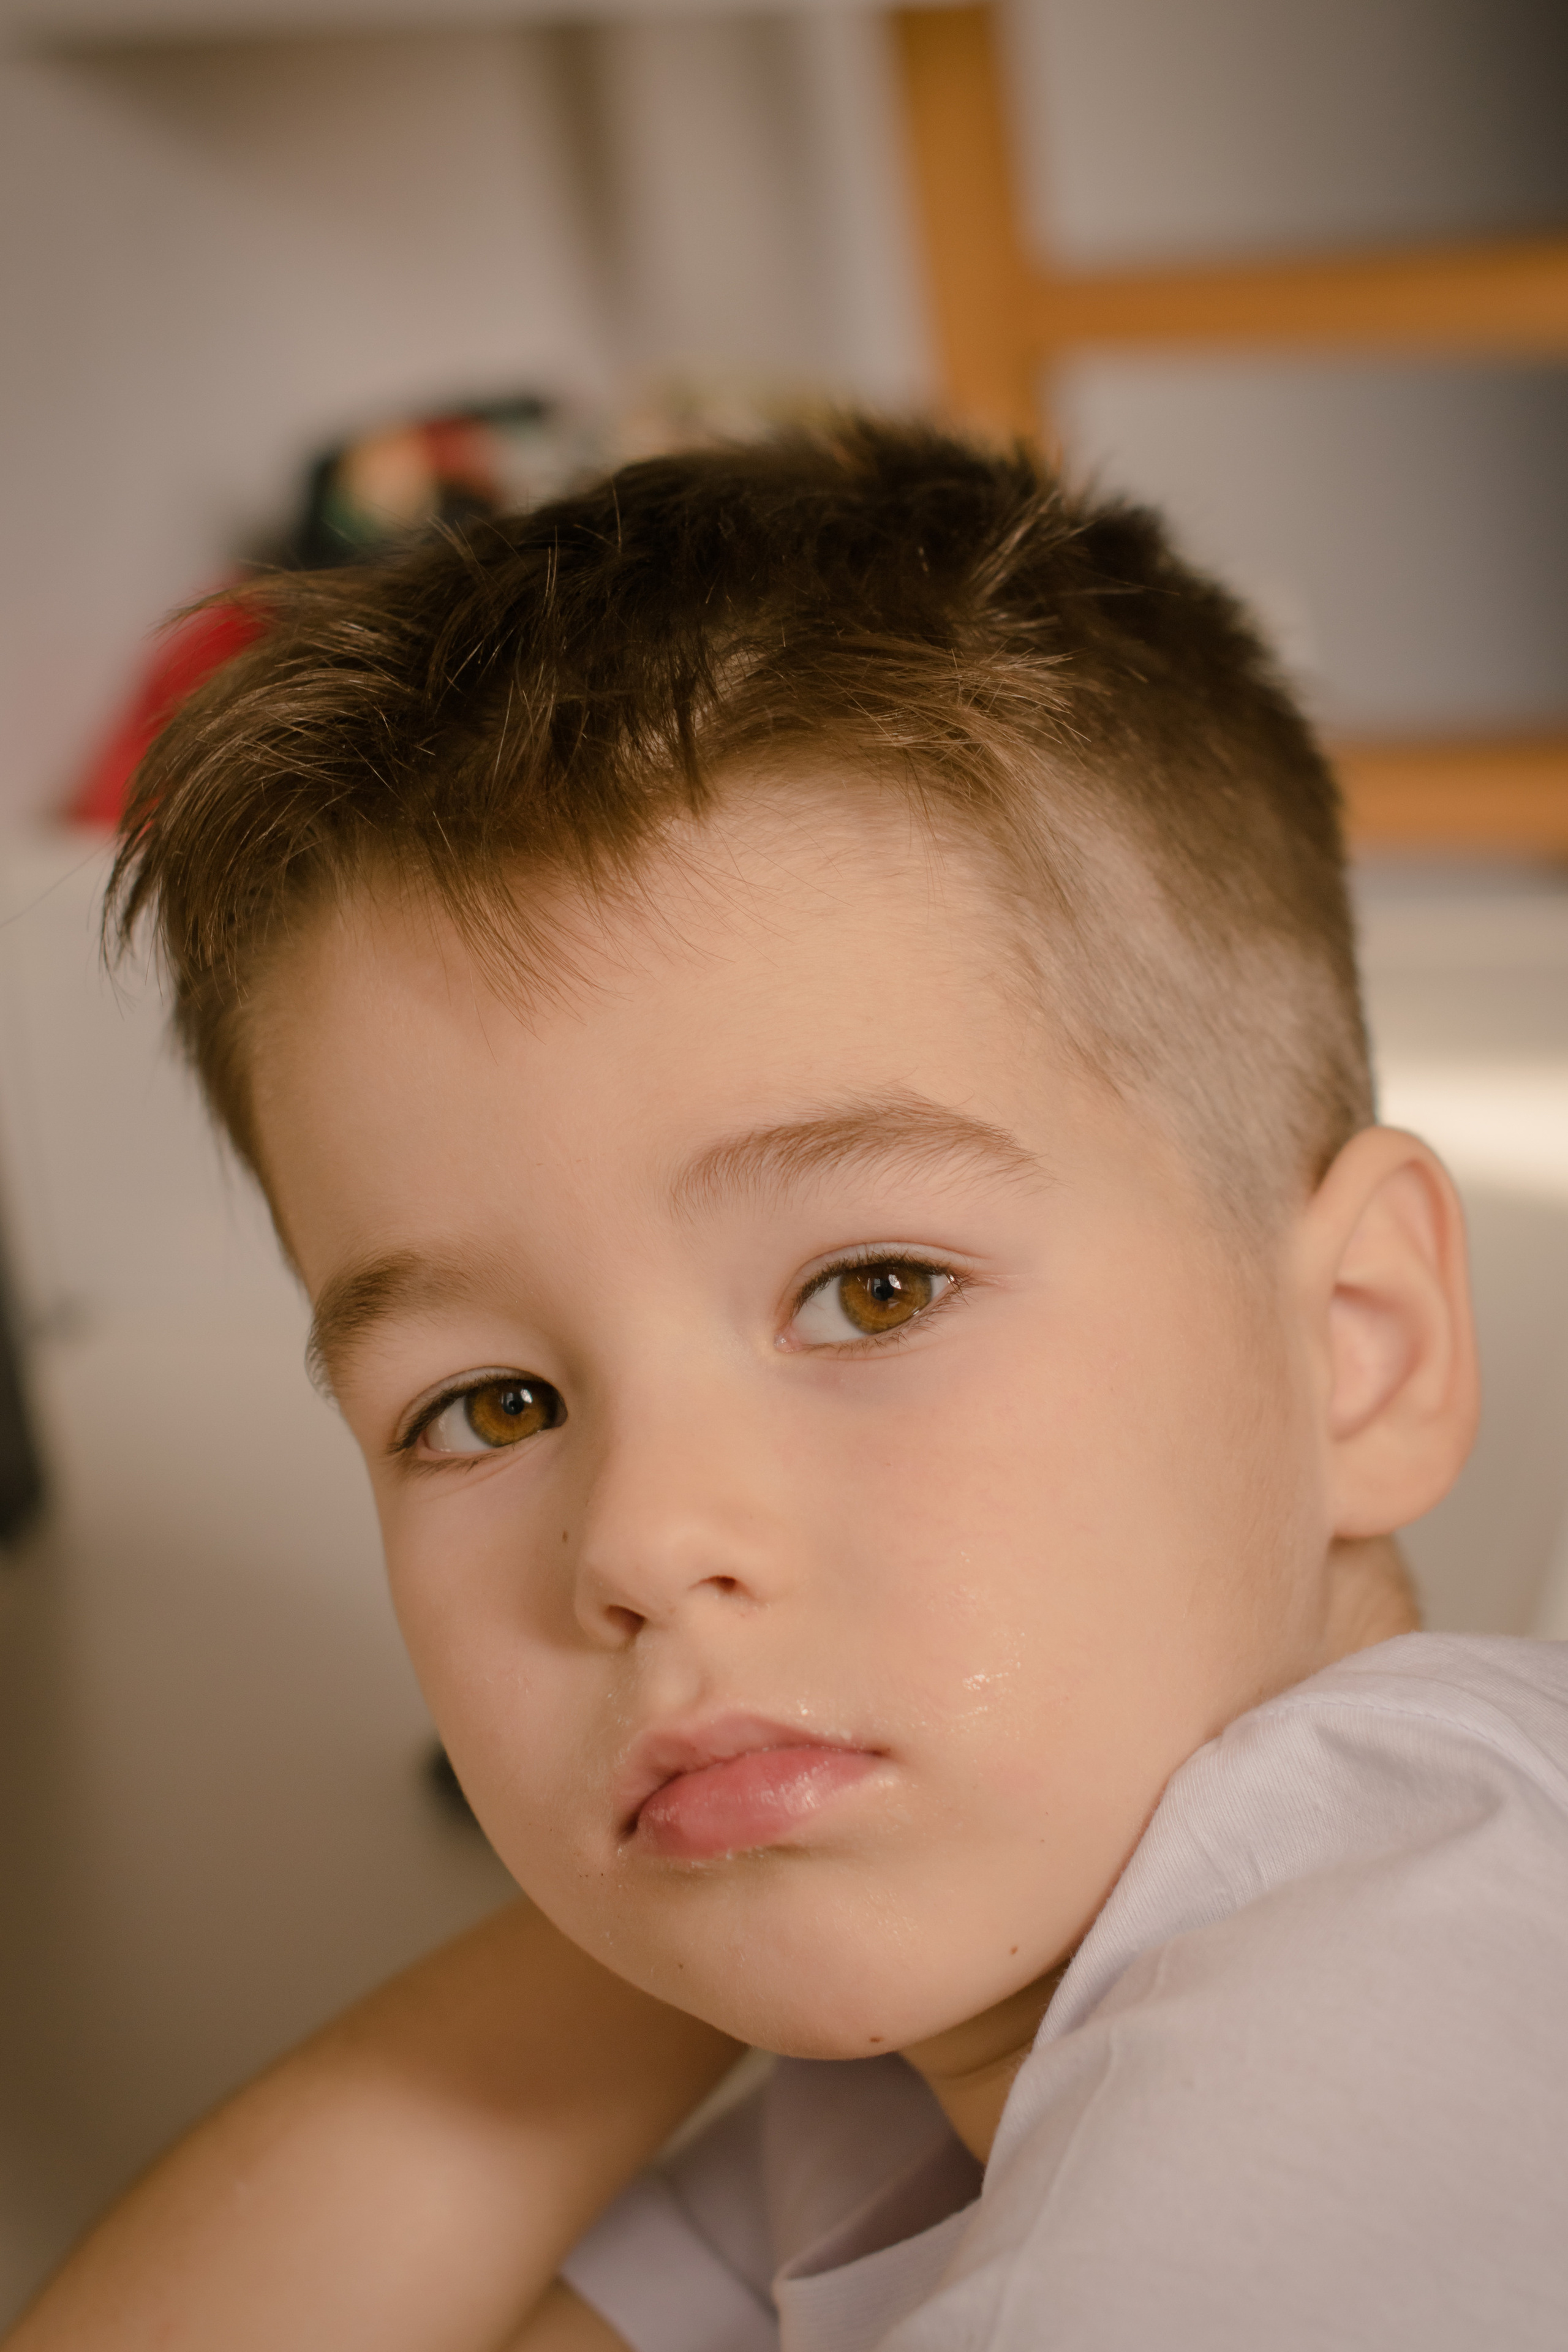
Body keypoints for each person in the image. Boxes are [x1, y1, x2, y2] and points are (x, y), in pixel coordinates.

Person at [10, 421, 1567, 2351]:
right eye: (493, 1405)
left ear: (1363, 1348)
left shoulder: (1393, 1992)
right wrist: (679, 1839)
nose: (648, 1543)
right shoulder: (970, 2013)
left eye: (873, 1289)